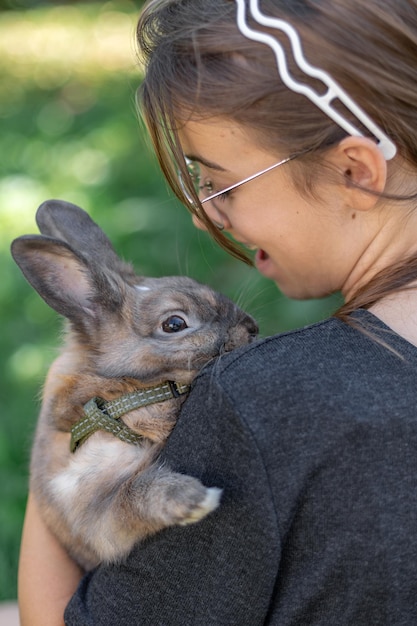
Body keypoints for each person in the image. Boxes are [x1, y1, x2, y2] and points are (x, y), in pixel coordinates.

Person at [18, 0, 417, 623]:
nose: (205, 214)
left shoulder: (260, 404)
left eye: (219, 181)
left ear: (355, 170)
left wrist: (75, 401)